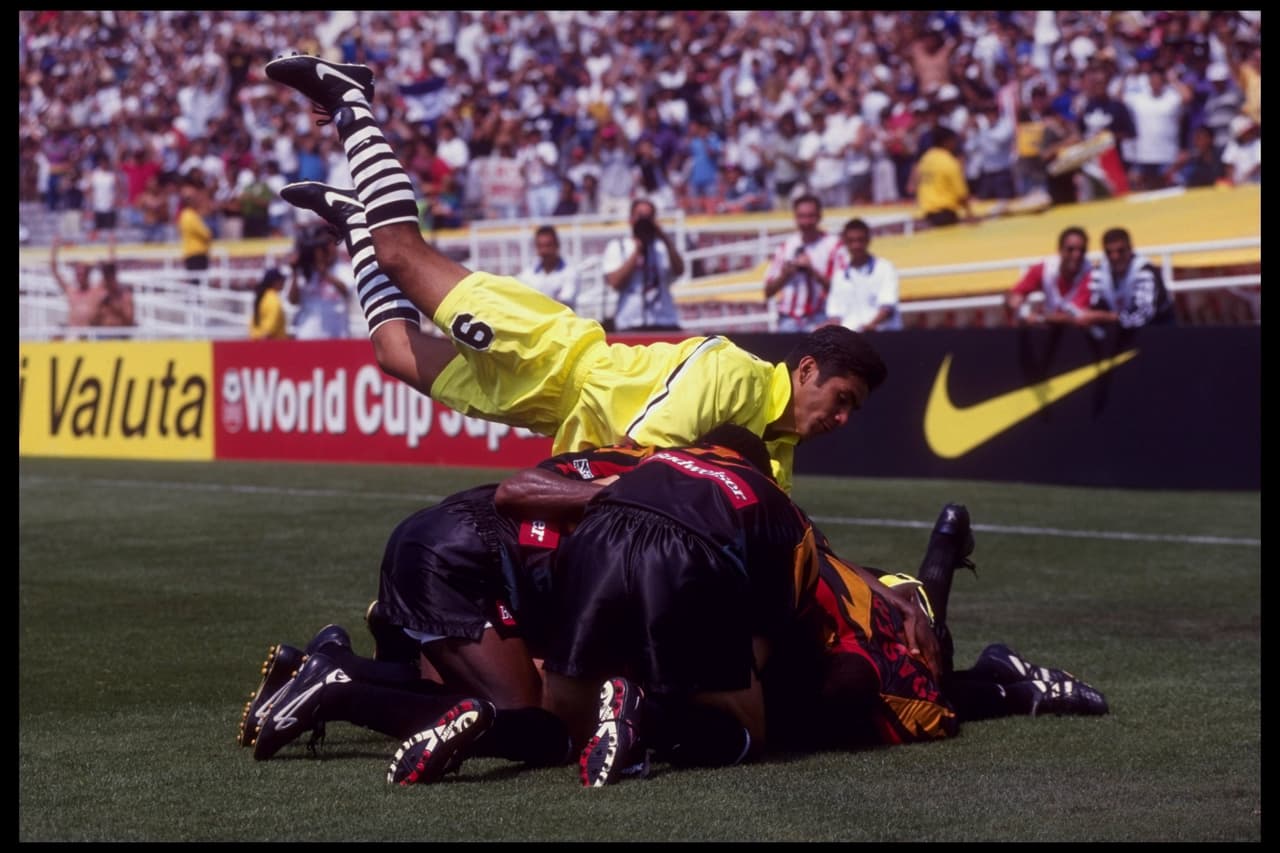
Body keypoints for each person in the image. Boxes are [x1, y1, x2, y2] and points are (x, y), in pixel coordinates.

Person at [264, 49, 889, 494]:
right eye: (842, 400)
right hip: (554, 354)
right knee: (400, 252)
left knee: (395, 354)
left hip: (549, 406)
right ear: (808, 369)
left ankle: (355, 227)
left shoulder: (777, 460)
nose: (841, 420)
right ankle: (351, 98)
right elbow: (640, 460)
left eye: (852, 412)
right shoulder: (734, 375)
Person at [601, 197, 685, 332]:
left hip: (664, 321)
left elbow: (679, 270)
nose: (644, 221)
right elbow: (614, 282)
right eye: (640, 216)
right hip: (630, 321)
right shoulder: (619, 246)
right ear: (630, 219)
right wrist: (637, 251)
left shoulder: (662, 247)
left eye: (648, 217)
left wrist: (663, 236)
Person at [762, 193, 841, 333]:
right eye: (801, 216)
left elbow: (839, 289)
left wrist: (812, 271)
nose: (806, 222)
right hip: (788, 320)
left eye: (811, 216)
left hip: (820, 318)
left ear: (819, 216)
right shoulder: (786, 247)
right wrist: (785, 275)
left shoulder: (833, 246)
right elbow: (768, 291)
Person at [1079, 227, 1175, 328]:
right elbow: (1095, 305)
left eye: (1120, 251)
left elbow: (1143, 316)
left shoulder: (1144, 272)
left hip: (1158, 325)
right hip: (1121, 326)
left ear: (1130, 249)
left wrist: (1108, 317)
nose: (1115, 257)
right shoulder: (1099, 273)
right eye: (1109, 252)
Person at [823, 218, 902, 334]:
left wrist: (870, 326)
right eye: (851, 241)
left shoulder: (885, 268)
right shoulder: (839, 275)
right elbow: (835, 314)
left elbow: (887, 307)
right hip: (850, 338)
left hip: (881, 334)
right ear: (844, 242)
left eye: (860, 240)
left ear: (868, 240)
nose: (856, 245)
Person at [1003, 226, 1094, 326]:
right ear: (1060, 250)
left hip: (1078, 330)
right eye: (1070, 250)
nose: (1076, 255)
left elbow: (1077, 316)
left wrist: (1040, 318)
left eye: (1082, 250)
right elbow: (1016, 294)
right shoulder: (1045, 269)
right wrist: (1012, 301)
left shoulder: (1090, 274)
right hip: (1050, 328)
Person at [286, 225, 352, 340]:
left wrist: (323, 271)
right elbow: (293, 300)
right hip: (306, 336)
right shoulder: (305, 271)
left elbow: (346, 292)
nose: (327, 249)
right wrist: (295, 271)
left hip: (336, 336)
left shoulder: (344, 270)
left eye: (329, 244)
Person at [907, 125, 976, 228]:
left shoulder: (926, 158)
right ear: (946, 142)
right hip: (945, 213)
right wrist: (969, 214)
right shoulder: (949, 162)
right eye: (953, 141)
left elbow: (919, 180)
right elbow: (961, 193)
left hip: (926, 212)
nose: (955, 144)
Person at [50, 234, 106, 332]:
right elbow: (54, 270)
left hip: (90, 335)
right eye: (78, 273)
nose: (79, 276)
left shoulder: (94, 291)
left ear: (88, 274)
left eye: (82, 273)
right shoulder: (71, 290)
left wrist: (109, 247)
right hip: (73, 335)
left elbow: (108, 273)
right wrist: (54, 248)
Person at [519, 225, 579, 312]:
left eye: (548, 245)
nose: (544, 251)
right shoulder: (528, 273)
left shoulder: (570, 272)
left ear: (557, 245)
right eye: (540, 246)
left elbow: (565, 303)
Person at [177, 174, 214, 286]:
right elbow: (206, 234)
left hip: (193, 253)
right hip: (196, 253)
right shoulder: (189, 215)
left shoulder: (187, 215)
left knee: (196, 284)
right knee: (197, 284)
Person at [248, 267, 290, 340]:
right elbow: (269, 332)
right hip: (273, 344)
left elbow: (254, 327)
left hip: (257, 341)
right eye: (282, 280)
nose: (284, 283)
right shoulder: (273, 300)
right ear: (275, 282)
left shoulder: (262, 297)